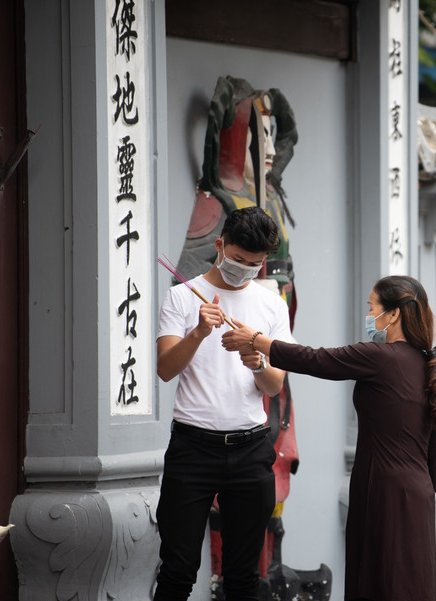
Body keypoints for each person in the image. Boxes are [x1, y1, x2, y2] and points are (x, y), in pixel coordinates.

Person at [223, 275, 436, 601]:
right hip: (417, 493)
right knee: (409, 581)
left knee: (378, 579)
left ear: (394, 314)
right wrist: (424, 491)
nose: (369, 316)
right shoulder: (426, 362)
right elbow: (435, 448)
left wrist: (256, 340)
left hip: (382, 488)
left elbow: (316, 358)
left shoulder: (382, 357)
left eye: (372, 308)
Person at [154, 205, 294, 601]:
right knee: (177, 571)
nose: (245, 269)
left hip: (250, 449)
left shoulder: (272, 305)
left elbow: (272, 386)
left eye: (255, 263)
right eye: (237, 259)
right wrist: (198, 332)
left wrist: (257, 360)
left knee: (244, 576)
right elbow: (165, 369)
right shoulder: (182, 296)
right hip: (192, 448)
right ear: (219, 245)